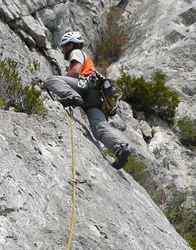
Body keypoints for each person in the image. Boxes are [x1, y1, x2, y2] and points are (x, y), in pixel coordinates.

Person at [42, 31, 131, 169]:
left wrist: (61, 83)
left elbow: (76, 72)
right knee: (98, 127)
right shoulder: (83, 57)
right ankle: (120, 148)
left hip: (85, 87)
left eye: (63, 47)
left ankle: (72, 96)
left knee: (50, 79)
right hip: (96, 98)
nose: (62, 51)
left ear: (70, 45)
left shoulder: (76, 52)